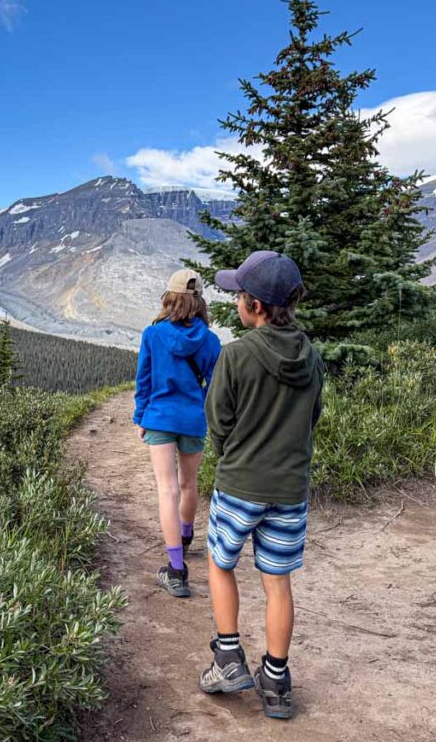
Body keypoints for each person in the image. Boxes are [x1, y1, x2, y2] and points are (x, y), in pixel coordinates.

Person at [198, 251, 324, 720]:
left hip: (239, 483)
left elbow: (219, 423)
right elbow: (313, 418)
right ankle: (276, 682)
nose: (235, 302)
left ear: (254, 306)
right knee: (278, 583)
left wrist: (235, 452)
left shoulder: (235, 355)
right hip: (290, 489)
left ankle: (229, 658)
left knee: (219, 562)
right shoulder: (312, 358)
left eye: (238, 296)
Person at [133, 269, 221, 598]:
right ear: (199, 301)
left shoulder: (152, 335)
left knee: (166, 489)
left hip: (159, 417)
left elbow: (143, 380)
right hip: (193, 419)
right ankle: (186, 536)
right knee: (188, 484)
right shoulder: (211, 341)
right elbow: (215, 388)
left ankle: (176, 569)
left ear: (170, 298)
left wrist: (140, 415)